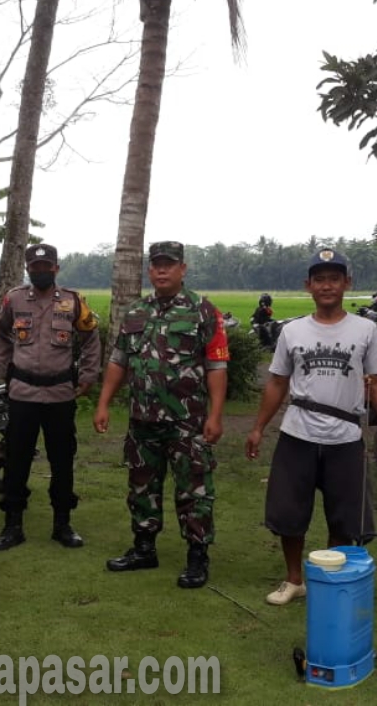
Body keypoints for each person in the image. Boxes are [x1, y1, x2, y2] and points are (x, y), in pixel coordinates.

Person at [243, 247, 377, 606]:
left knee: (346, 517)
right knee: (288, 512)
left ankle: (331, 583)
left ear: (346, 283)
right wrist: (257, 427)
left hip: (346, 438)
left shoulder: (365, 329)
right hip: (297, 433)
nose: (327, 285)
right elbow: (276, 382)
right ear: (308, 285)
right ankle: (294, 580)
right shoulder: (293, 331)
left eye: (334, 278)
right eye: (320, 279)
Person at [93, 241, 229, 589]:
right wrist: (104, 403)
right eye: (156, 265)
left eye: (169, 264)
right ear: (149, 270)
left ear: (183, 269)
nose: (162, 270)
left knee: (194, 491)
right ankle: (143, 548)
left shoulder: (203, 311)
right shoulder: (136, 312)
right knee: (141, 487)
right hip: (142, 421)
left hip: (188, 423)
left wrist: (215, 415)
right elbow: (118, 361)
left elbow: (216, 366)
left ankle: (197, 556)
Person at [0, 244, 102, 551]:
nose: (40, 271)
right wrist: (5, 369)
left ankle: (62, 524)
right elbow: (0, 334)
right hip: (23, 393)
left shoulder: (72, 301)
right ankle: (13, 525)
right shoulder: (14, 299)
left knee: (62, 460)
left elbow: (91, 336)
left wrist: (89, 375)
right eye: (35, 267)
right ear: (28, 268)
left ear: (56, 268)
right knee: (16, 460)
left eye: (46, 266)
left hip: (60, 394)